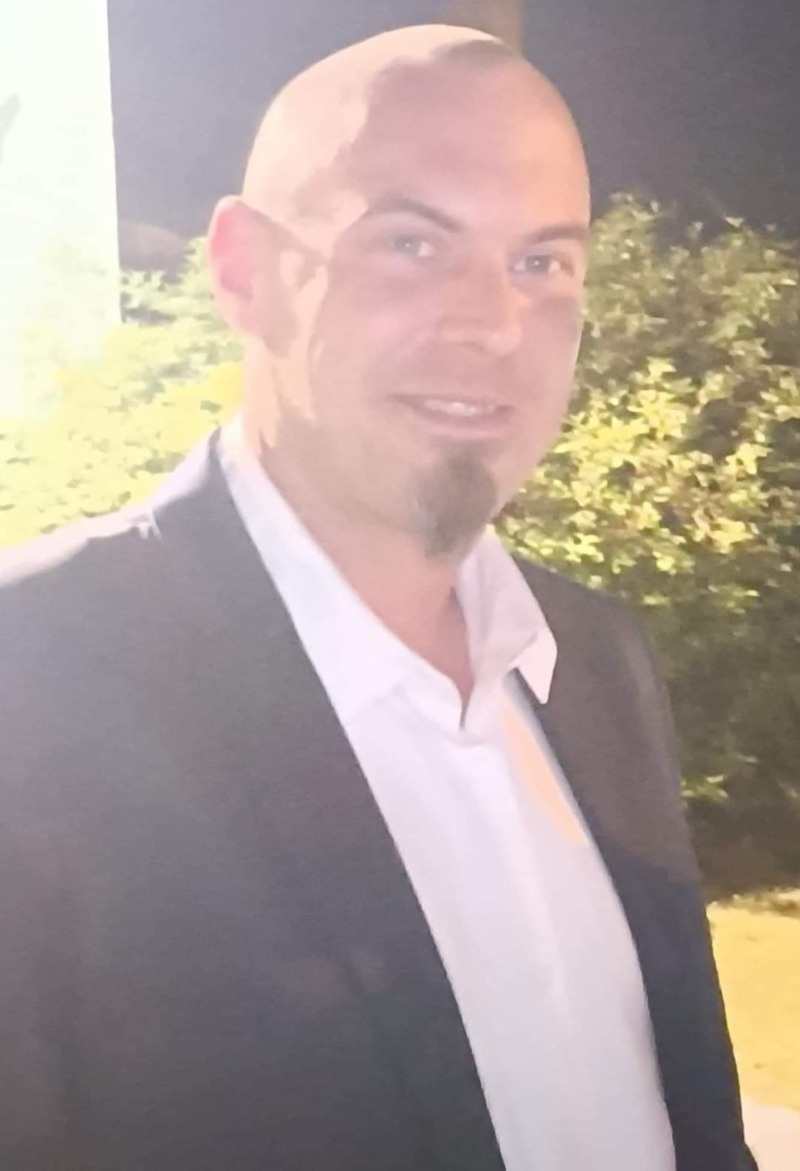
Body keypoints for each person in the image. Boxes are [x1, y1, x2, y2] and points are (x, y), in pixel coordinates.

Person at [0, 24, 755, 1171]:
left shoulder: (594, 661)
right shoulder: (35, 684)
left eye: (540, 263)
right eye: (410, 242)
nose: (491, 322)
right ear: (244, 270)